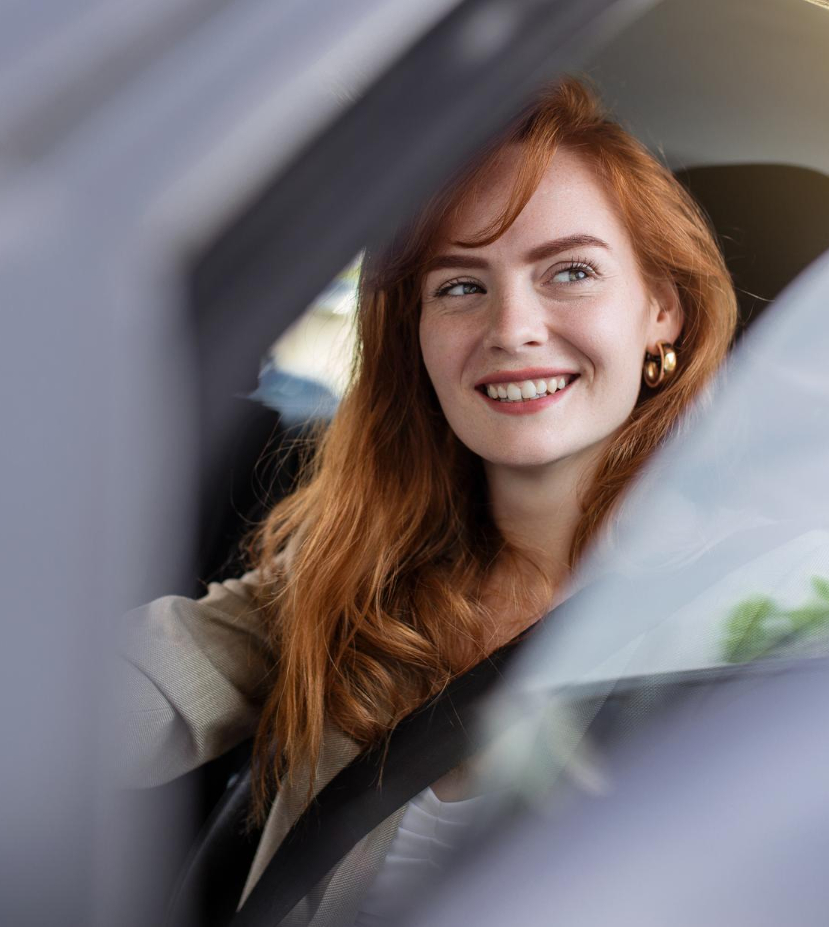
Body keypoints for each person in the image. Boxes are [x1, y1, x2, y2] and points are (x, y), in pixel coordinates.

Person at [118, 76, 739, 925]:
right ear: (414, 333)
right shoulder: (352, 574)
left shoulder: (769, 603)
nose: (512, 326)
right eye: (458, 285)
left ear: (662, 310)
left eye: (569, 271)